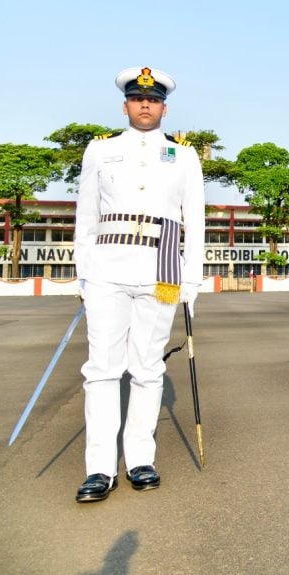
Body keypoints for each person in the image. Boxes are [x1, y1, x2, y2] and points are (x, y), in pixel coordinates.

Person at [73, 66, 204, 503]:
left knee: (148, 369)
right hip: (108, 265)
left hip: (161, 265)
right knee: (102, 370)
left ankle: (140, 459)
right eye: (136, 98)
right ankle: (99, 468)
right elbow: (85, 218)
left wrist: (192, 281)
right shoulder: (99, 151)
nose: (144, 104)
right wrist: (84, 273)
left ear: (164, 107)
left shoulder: (184, 157)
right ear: (125, 105)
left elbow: (195, 223)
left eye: (152, 99)